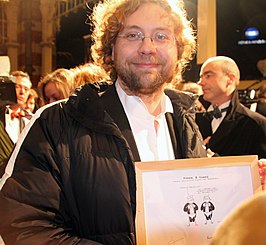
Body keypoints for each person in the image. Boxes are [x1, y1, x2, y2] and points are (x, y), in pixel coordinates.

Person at [0, 1, 206, 244]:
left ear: (179, 50)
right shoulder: (53, 124)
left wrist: (245, 186)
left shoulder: (186, 125)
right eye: (133, 35)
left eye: (161, 36)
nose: (147, 47)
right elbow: (22, 226)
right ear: (111, 49)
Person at [196, 56, 266, 159]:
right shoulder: (192, 121)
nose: (200, 82)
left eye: (208, 76)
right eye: (201, 77)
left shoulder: (255, 124)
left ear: (230, 79)